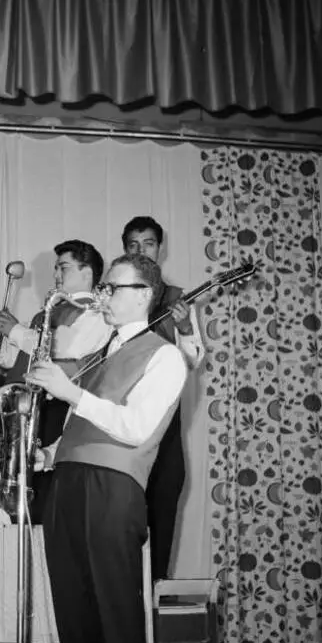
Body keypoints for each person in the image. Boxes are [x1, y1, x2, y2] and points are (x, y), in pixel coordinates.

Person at [25, 253, 188, 643]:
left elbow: (136, 429)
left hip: (113, 490)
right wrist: (51, 452)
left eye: (112, 288)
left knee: (115, 623)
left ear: (144, 294)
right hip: (69, 485)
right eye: (105, 289)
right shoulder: (102, 354)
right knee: (76, 624)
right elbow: (88, 426)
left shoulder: (164, 355)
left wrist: (68, 393)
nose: (103, 297)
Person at [0, 240, 111, 521]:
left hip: (55, 408)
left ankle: (42, 555)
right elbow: (15, 360)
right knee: (17, 488)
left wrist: (16, 330)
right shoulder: (45, 312)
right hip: (24, 407)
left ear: (88, 273)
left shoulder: (96, 313)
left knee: (45, 489)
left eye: (64, 268)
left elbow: (65, 349)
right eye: (56, 268)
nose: (56, 275)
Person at [122, 215, 205, 580]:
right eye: (133, 245)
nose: (142, 251)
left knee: (163, 505)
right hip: (122, 426)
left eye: (149, 244)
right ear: (125, 250)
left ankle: (152, 605)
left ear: (161, 249)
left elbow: (193, 359)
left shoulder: (176, 299)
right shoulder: (113, 298)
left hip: (164, 425)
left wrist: (184, 327)